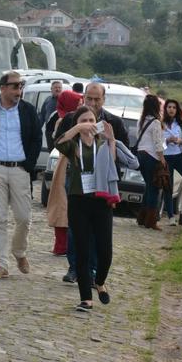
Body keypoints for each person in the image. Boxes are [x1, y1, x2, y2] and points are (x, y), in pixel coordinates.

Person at [0, 70, 42, 278]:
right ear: (3, 88)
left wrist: (28, 165)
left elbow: (36, 139)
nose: (18, 90)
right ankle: (0, 263)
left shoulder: (28, 110)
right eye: (14, 86)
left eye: (21, 86)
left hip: (20, 169)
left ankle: (19, 251)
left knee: (24, 218)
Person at [55, 105, 117, 311]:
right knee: (81, 250)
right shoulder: (73, 144)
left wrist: (111, 139)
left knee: (105, 251)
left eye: (92, 120)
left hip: (101, 201)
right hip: (78, 200)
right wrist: (76, 127)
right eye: (85, 120)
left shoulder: (101, 142)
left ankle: (99, 281)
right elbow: (58, 142)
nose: (90, 124)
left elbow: (113, 164)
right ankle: (85, 298)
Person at [45, 90, 82, 262]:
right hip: (65, 162)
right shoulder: (65, 118)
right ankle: (62, 245)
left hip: (67, 163)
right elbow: (57, 139)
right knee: (62, 207)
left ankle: (66, 245)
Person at [135, 94, 167, 231]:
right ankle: (151, 221)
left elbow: (138, 137)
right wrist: (162, 159)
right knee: (154, 187)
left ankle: (142, 217)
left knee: (148, 186)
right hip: (151, 156)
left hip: (141, 155)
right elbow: (158, 143)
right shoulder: (155, 122)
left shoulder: (141, 121)